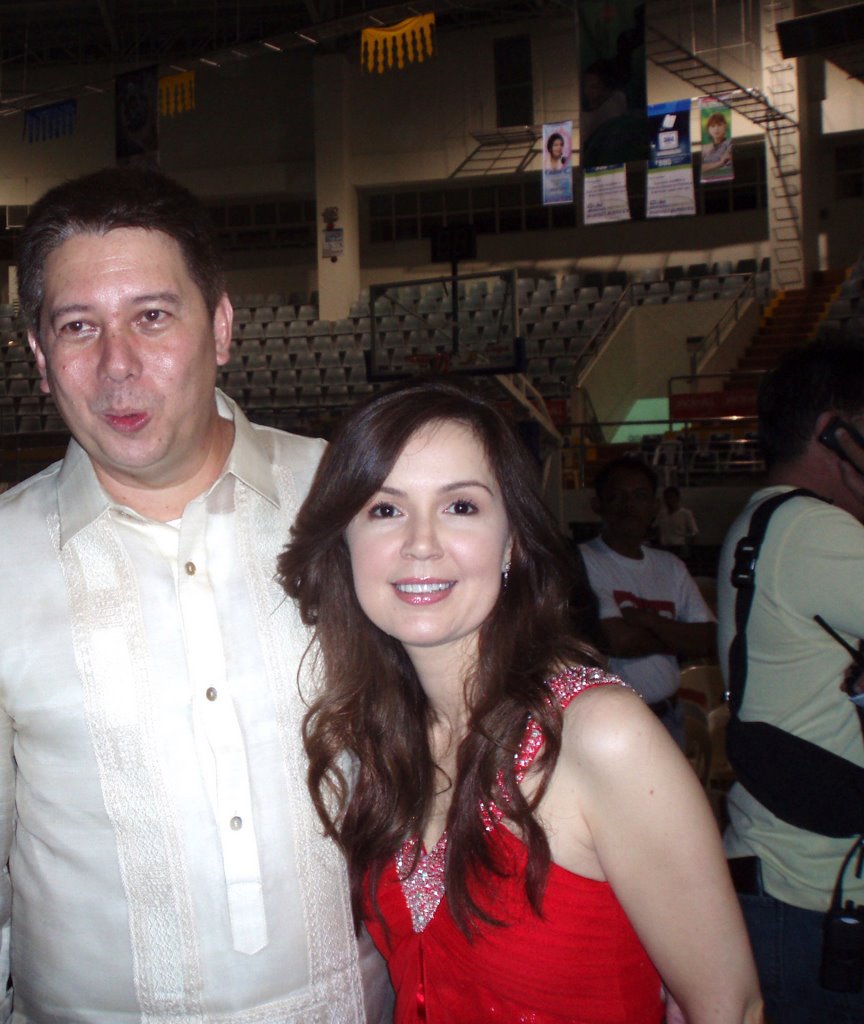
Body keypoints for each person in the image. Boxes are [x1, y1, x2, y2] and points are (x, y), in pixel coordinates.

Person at [0, 167, 388, 1022]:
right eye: (77, 328)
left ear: (219, 326)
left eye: (152, 316)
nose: (117, 367)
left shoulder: (357, 504)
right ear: (38, 358)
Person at [280, 378, 763, 1024]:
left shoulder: (600, 736)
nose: (421, 544)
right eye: (384, 509)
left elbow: (729, 1008)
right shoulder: (379, 742)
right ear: (345, 543)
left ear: (511, 543)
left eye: (461, 507)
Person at [716, 340, 864, 1024]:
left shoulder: (766, 517)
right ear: (835, 431)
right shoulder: (817, 531)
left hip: (782, 875)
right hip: (816, 891)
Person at [579, 456, 716, 746]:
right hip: (607, 728)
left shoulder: (671, 566)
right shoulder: (582, 561)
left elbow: (707, 638)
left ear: (654, 507)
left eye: (640, 496)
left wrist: (650, 621)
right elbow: (620, 642)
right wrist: (679, 636)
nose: (629, 505)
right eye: (618, 497)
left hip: (669, 718)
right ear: (597, 505)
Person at [655, 484, 699, 558]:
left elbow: (694, 532)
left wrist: (689, 547)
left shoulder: (685, 513)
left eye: (672, 497)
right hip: (664, 547)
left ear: (677, 498)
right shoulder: (662, 514)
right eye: (667, 498)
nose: (669, 500)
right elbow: (656, 527)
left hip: (679, 547)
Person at [701, 112, 733, 176]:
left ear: (725, 126)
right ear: (708, 130)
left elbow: (727, 160)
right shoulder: (704, 148)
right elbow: (701, 168)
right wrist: (720, 163)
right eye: (712, 126)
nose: (716, 129)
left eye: (719, 125)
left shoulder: (730, 143)